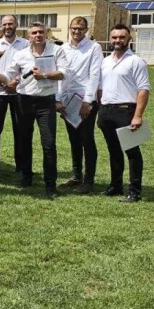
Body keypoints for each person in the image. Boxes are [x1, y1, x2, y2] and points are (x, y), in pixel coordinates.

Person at [1, 22, 68, 199]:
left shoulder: (56, 50)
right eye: (34, 33)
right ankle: (26, 176)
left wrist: (45, 75)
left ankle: (50, 184)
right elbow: (9, 74)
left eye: (41, 32)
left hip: (46, 102)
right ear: (29, 36)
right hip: (24, 100)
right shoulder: (21, 54)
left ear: (46, 34)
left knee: (49, 143)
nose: (38, 35)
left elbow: (63, 73)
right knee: (24, 140)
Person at [98, 24, 150, 203]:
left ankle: (135, 191)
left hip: (125, 111)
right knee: (114, 151)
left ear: (129, 39)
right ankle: (115, 186)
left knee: (132, 152)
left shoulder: (136, 61)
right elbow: (100, 87)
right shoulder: (105, 61)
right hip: (106, 111)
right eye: (114, 37)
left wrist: (138, 115)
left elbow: (143, 89)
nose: (117, 40)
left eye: (121, 37)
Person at [55, 17, 104, 194]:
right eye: (74, 28)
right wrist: (58, 99)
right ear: (70, 28)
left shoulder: (93, 47)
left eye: (81, 29)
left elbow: (95, 75)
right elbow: (60, 75)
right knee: (73, 139)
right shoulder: (63, 49)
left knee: (87, 139)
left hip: (85, 100)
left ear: (86, 30)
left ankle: (88, 181)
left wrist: (88, 101)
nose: (77, 32)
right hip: (68, 101)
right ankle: (76, 176)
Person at [0, 15, 29, 175]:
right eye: (5, 24)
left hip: (19, 92)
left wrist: (15, 82)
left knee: (20, 130)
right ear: (1, 26)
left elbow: (28, 67)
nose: (8, 26)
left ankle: (20, 165)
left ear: (16, 25)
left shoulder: (25, 44)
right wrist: (3, 84)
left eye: (10, 23)